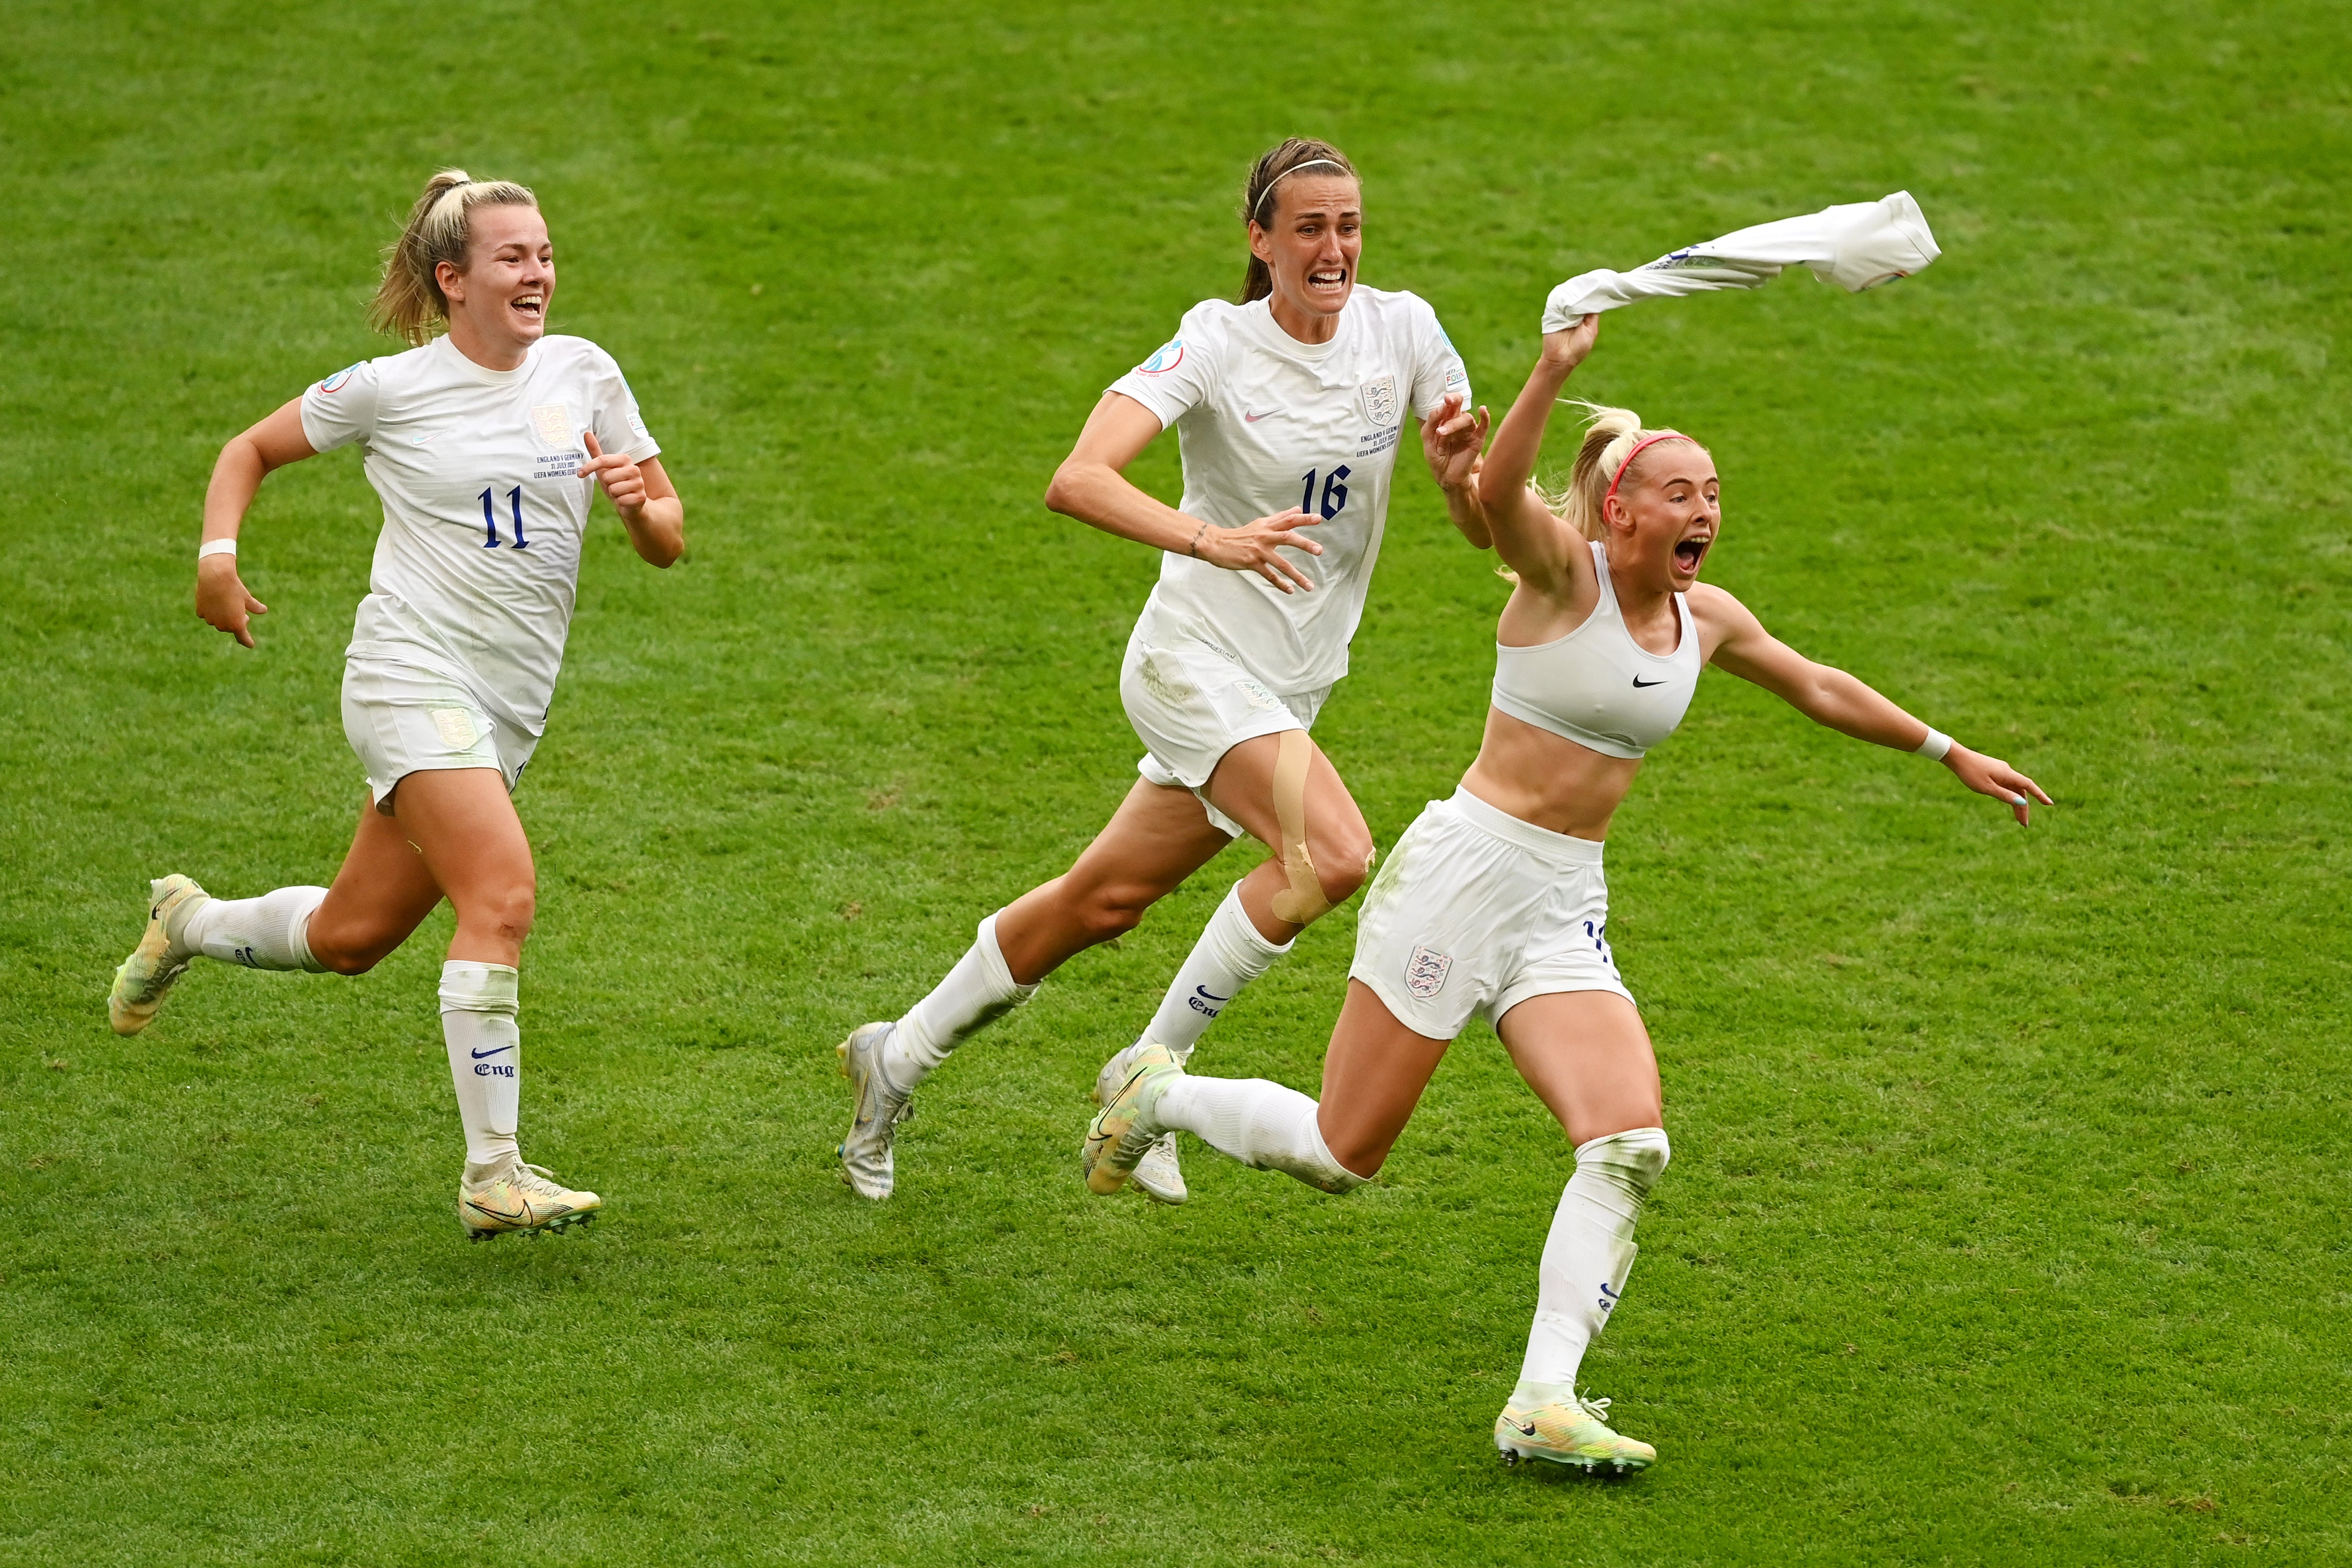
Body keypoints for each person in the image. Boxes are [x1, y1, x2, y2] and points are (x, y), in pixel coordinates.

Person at [1081, 312, 2050, 1472]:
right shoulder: (1556, 578)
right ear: (1622, 512)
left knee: (1628, 1142)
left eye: (1713, 492)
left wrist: (1945, 748)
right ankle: (1158, 1094)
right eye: (1679, 491)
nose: (1704, 511)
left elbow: (1814, 683)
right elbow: (1495, 494)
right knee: (1344, 1153)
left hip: (1559, 899)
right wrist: (1550, 367)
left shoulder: (1706, 617)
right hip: (1458, 877)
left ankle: (1541, 1399)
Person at [835, 137, 1487, 1203]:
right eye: (1309, 228)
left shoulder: (1403, 329)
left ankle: (892, 1059)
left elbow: (1474, 521)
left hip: (1288, 685)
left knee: (1104, 899)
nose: (1334, 248)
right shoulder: (1215, 344)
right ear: (1260, 240)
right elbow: (1077, 477)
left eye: (1348, 225)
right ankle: (1148, 1079)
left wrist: (1464, 478)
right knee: (1329, 853)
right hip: (1190, 661)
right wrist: (1207, 540)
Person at [107, 169, 685, 1241]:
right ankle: (493, 1172)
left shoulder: (584, 373)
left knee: (350, 935)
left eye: (546, 254)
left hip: (504, 708)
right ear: (452, 280)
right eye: (514, 258)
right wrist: (216, 558)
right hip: (408, 678)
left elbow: (666, 539)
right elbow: (250, 450)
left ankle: (184, 920)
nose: (540, 274)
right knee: (502, 893)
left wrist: (644, 508)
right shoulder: (389, 388)